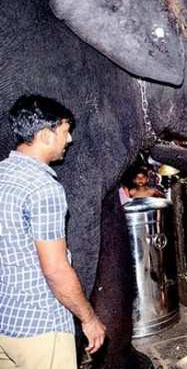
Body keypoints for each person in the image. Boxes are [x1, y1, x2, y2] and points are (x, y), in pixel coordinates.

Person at [0, 95, 106, 368]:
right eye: (65, 131)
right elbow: (56, 270)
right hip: (40, 328)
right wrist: (89, 319)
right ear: (46, 135)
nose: (69, 140)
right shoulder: (44, 189)